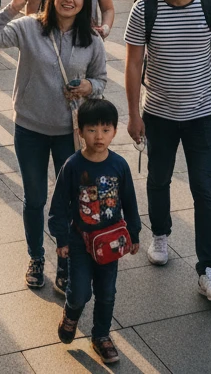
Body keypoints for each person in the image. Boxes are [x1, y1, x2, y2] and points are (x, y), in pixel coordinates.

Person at [0, 0, 107, 292]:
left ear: (84, 1)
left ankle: (65, 260)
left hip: (69, 132)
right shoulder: (29, 26)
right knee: (35, 197)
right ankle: (36, 257)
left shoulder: (91, 39)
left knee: (66, 201)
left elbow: (101, 80)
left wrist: (89, 86)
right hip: (30, 128)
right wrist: (11, 8)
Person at [124, 0, 211, 300]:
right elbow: (133, 64)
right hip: (157, 114)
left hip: (202, 114)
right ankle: (160, 233)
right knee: (158, 178)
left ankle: (209, 270)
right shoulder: (145, 9)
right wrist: (132, 114)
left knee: (205, 190)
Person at [49, 98, 140, 365]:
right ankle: (71, 313)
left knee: (107, 292)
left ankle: (101, 336)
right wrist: (61, 238)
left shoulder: (119, 165)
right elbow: (59, 204)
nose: (99, 136)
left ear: (114, 130)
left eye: (105, 129)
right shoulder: (74, 165)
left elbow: (130, 202)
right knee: (79, 292)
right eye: (91, 130)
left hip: (110, 241)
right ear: (80, 132)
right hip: (79, 241)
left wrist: (134, 233)